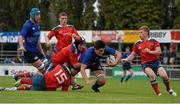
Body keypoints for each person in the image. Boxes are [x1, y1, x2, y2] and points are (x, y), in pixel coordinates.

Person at [122, 26, 177, 96]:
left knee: (164, 76)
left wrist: (149, 51)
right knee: (152, 75)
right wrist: (126, 59)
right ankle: (158, 94)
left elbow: (159, 52)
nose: (139, 34)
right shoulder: (137, 43)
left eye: (141, 32)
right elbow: (133, 55)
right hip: (145, 64)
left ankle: (168, 89)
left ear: (146, 32)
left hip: (155, 62)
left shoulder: (153, 41)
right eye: (139, 33)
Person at [18, 8, 47, 73]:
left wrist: (41, 51)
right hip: (29, 52)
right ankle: (22, 77)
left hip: (36, 51)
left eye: (39, 14)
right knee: (42, 68)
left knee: (46, 64)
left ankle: (24, 76)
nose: (39, 16)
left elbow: (38, 40)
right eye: (37, 15)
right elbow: (20, 36)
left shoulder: (37, 25)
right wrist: (21, 46)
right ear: (33, 16)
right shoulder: (27, 25)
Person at [0, 64, 72, 91]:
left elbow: (48, 70)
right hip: (45, 88)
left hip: (42, 79)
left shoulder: (59, 66)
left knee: (34, 74)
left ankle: (21, 79)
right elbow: (64, 91)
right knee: (28, 88)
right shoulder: (68, 80)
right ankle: (6, 89)